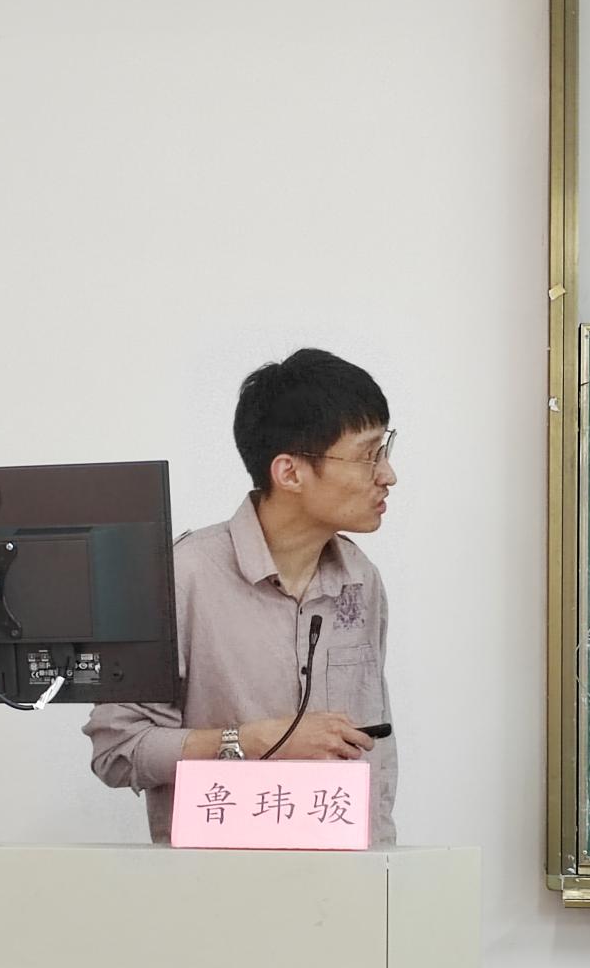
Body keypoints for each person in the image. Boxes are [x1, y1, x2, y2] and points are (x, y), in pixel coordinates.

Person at [82, 347, 398, 843]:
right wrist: (249, 742)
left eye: (386, 449)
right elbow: (117, 750)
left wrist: (382, 864)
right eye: (368, 456)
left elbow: (377, 756)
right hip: (219, 879)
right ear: (289, 473)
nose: (387, 474)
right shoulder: (180, 577)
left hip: (348, 877)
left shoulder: (362, 578)